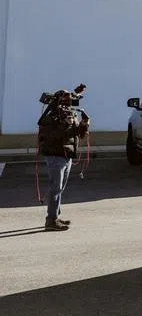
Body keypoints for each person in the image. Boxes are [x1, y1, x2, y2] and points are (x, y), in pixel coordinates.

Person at [37, 87, 91, 231]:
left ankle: (56, 215)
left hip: (67, 154)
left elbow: (79, 134)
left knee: (60, 187)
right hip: (55, 155)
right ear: (59, 100)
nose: (70, 103)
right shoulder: (51, 116)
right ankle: (51, 220)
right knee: (55, 187)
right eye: (67, 100)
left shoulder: (70, 114)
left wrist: (84, 123)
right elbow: (51, 135)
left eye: (70, 100)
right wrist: (63, 121)